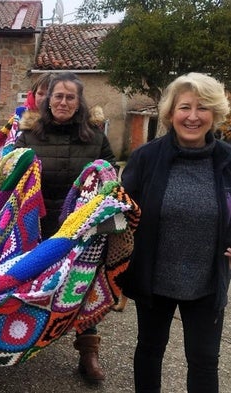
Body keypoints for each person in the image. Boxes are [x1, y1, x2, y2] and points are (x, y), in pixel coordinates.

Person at [121, 72, 231, 393]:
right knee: (150, 351)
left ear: (216, 113)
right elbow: (121, 212)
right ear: (170, 113)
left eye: (203, 108)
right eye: (185, 107)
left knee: (204, 360)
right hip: (153, 279)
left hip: (208, 282)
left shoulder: (228, 160)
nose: (193, 117)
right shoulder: (145, 158)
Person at [15, 72, 117, 382]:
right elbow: (11, 178)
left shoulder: (96, 138)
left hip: (82, 230)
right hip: (39, 226)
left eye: (70, 97)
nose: (63, 101)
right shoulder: (29, 136)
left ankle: (88, 352)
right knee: (31, 283)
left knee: (83, 287)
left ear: (79, 102)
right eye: (57, 96)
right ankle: (18, 340)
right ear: (47, 101)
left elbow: (111, 176)